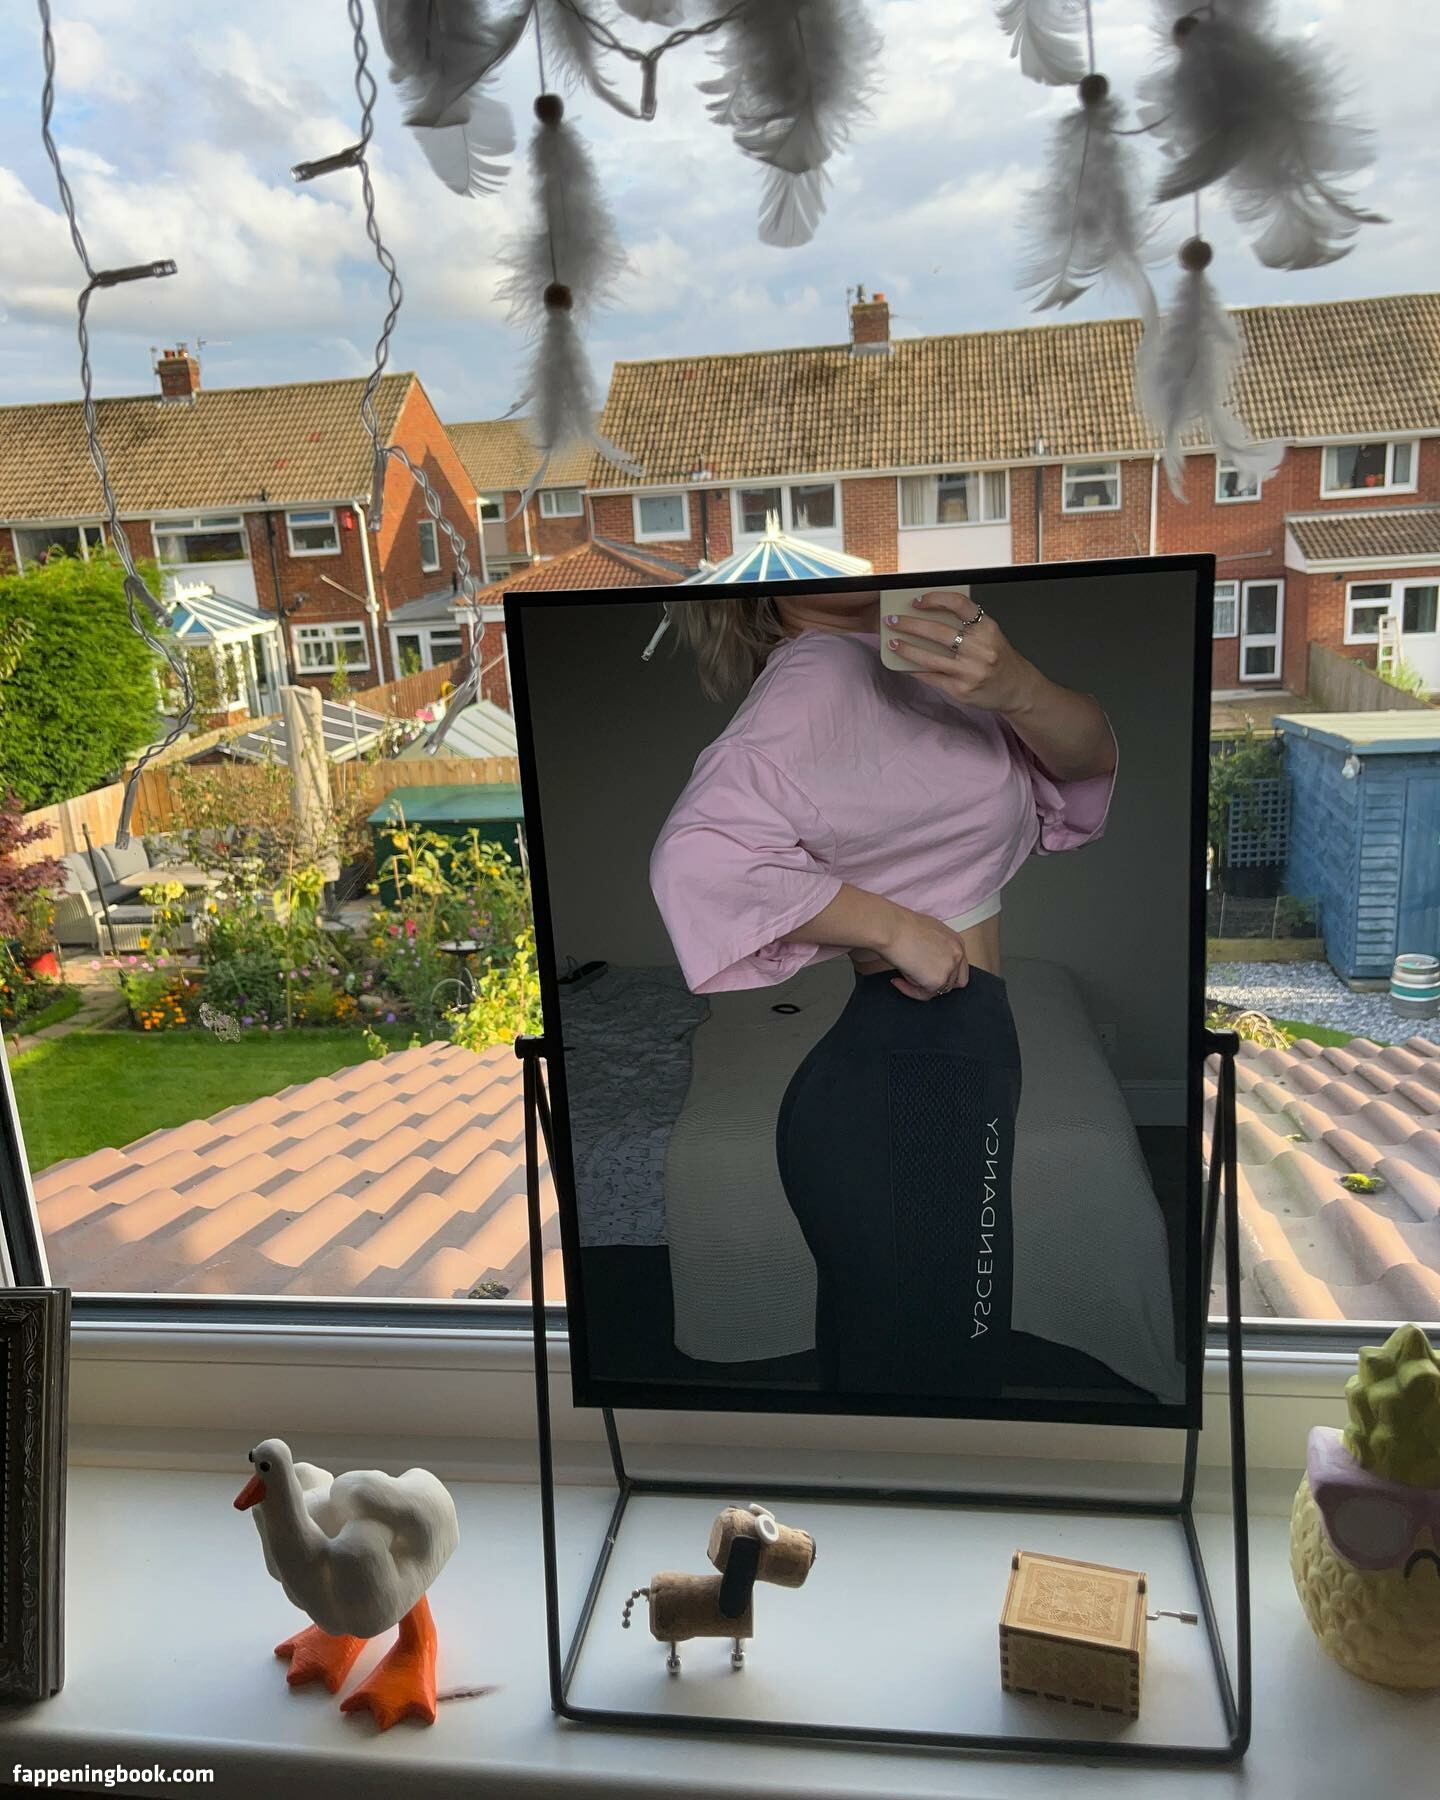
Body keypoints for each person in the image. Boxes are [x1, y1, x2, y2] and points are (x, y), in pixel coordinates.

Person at [649, 586, 1117, 1399]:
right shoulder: (818, 678)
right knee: (943, 1378)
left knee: (907, 1369)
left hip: (940, 1055)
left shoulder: (912, 662)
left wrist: (1017, 687)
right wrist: (893, 928)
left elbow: (1088, 760)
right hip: (913, 1072)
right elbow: (694, 861)